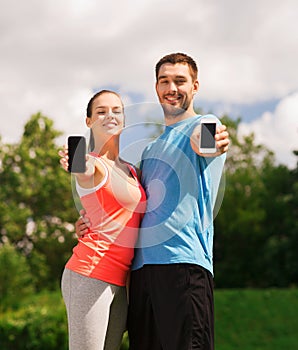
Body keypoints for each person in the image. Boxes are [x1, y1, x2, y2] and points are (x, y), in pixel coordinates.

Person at [76, 53, 230, 350]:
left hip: (183, 268)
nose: (172, 87)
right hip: (141, 275)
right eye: (165, 81)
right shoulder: (149, 151)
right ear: (157, 88)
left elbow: (209, 142)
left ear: (195, 86)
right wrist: (89, 222)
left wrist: (213, 142)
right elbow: (132, 210)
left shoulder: (206, 123)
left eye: (180, 81)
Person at [59, 90, 146, 350]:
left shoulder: (132, 170)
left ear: (124, 118)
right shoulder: (94, 165)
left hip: (121, 282)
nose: (110, 115)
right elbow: (84, 172)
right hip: (90, 274)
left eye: (116, 110)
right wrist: (77, 164)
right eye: (101, 111)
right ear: (89, 121)